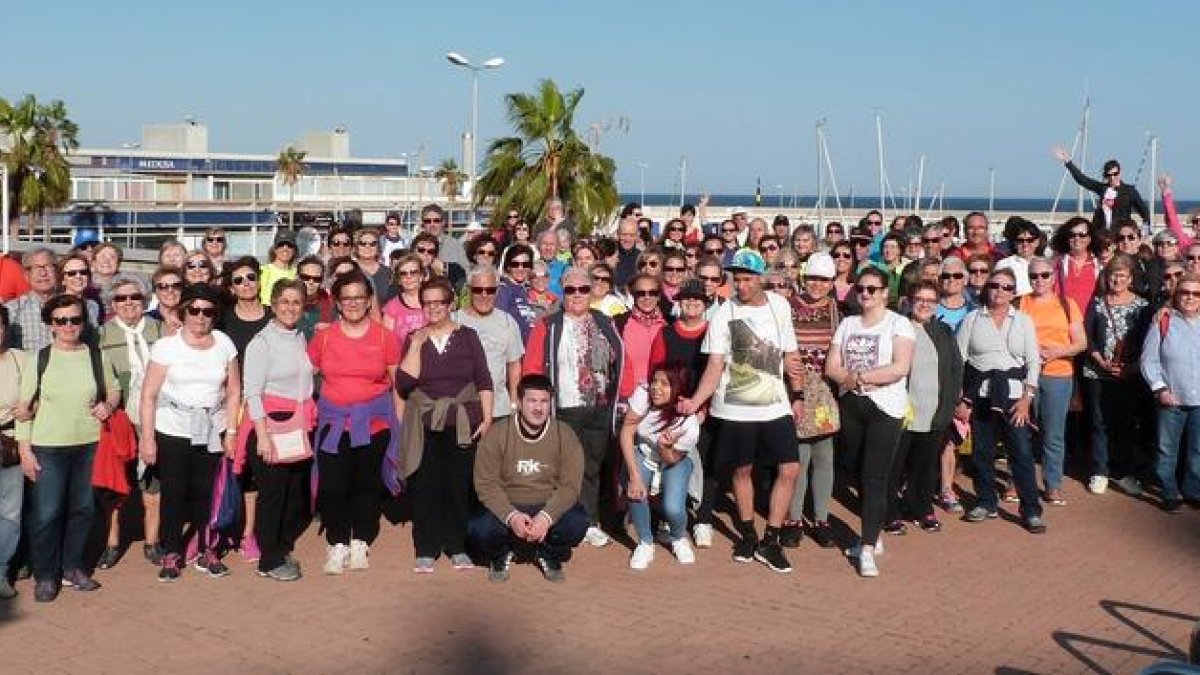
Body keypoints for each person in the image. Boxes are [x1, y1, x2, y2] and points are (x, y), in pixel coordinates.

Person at [678, 250, 802, 573]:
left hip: (776, 405)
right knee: (741, 472)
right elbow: (715, 366)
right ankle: (748, 535)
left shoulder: (780, 306)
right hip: (734, 409)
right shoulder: (722, 314)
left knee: (789, 469)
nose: (741, 286)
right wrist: (695, 400)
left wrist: (798, 393)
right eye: (737, 279)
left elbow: (791, 353)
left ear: (761, 278)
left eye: (747, 279)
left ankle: (771, 540)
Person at [15, 294, 121, 601]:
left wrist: (108, 405)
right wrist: (25, 450)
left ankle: (73, 567)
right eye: (61, 320)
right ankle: (46, 575)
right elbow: (25, 407)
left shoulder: (94, 355)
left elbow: (114, 388)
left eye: (74, 319)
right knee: (47, 513)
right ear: (50, 325)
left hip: (90, 444)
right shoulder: (40, 358)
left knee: (83, 509)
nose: (68, 325)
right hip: (48, 446)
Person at [138, 284, 240, 582]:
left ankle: (208, 550)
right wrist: (147, 438)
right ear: (184, 312)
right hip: (173, 430)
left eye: (207, 311)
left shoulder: (224, 343)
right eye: (194, 310)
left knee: (207, 493)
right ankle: (172, 552)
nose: (200, 317)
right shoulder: (166, 347)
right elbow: (148, 396)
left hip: (212, 429)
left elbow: (233, 391)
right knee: (174, 493)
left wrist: (231, 431)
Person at [308, 271, 403, 574]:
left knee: (366, 485)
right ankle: (337, 544)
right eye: (346, 298)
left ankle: (361, 540)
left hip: (374, 423)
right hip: (334, 423)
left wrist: (398, 423)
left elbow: (396, 383)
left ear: (368, 301)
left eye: (359, 297)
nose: (353, 303)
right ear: (337, 302)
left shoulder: (384, 336)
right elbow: (305, 377)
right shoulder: (323, 338)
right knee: (334, 486)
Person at [396, 277, 493, 573]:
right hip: (425, 423)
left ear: (451, 303)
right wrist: (416, 346)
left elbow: (483, 379)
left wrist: (487, 417)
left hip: (463, 421)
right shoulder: (414, 337)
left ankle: (457, 546)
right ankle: (426, 547)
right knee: (425, 486)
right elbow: (404, 383)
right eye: (428, 303)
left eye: (439, 302)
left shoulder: (468, 336)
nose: (434, 308)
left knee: (457, 486)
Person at [522, 267, 624, 548]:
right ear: (562, 292)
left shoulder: (605, 321)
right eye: (570, 290)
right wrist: (535, 406)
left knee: (591, 468)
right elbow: (532, 367)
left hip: (598, 407)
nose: (577, 295)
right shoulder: (548, 324)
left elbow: (619, 361)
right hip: (563, 407)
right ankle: (559, 519)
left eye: (583, 289)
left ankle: (589, 521)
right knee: (562, 469)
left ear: (591, 292)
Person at [825, 267, 915, 577]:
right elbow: (832, 365)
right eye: (861, 288)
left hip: (886, 407)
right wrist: (851, 380)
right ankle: (871, 529)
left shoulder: (899, 323)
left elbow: (900, 366)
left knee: (874, 476)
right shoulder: (848, 323)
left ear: (885, 293)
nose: (865, 293)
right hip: (852, 404)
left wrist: (860, 377)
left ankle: (866, 547)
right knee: (852, 468)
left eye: (872, 289)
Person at [469, 373, 586, 583]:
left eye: (544, 401)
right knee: (478, 529)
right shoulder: (498, 433)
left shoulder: (565, 434)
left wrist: (546, 517)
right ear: (519, 402)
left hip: (546, 503)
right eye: (532, 401)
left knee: (577, 523)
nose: (538, 408)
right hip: (509, 502)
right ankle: (501, 553)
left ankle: (548, 552)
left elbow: (570, 486)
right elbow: (485, 484)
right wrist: (512, 516)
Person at [235, 280, 315, 581]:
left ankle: (280, 549)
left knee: (293, 493)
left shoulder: (300, 337)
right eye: (284, 302)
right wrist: (263, 436)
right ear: (273, 304)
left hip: (297, 424)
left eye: (296, 302)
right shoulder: (261, 342)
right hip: (269, 425)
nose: (291, 308)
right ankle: (268, 559)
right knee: (273, 494)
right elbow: (252, 392)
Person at [957, 268, 1045, 533]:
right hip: (981, 395)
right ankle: (986, 501)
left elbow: (1033, 363)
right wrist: (961, 399)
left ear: (1013, 292)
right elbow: (959, 361)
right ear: (987, 288)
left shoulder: (1023, 321)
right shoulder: (973, 319)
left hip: (1014, 396)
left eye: (1007, 287)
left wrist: (1027, 399)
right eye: (995, 285)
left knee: (1021, 452)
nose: (1000, 291)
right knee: (982, 452)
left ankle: (1031, 509)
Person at [96, 273, 165, 569]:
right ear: (112, 302)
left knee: (153, 480)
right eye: (121, 298)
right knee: (116, 483)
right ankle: (112, 543)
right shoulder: (101, 334)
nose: (128, 303)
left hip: (158, 414)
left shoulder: (161, 329)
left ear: (145, 299)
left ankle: (152, 541)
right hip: (120, 415)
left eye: (134, 297)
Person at [883, 281, 963, 535]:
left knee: (926, 464)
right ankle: (890, 512)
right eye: (920, 298)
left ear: (937, 304)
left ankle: (922, 507)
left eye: (931, 300)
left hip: (934, 411)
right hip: (903, 410)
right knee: (894, 465)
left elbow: (955, 369)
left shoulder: (944, 332)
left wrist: (951, 403)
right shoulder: (896, 328)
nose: (925, 304)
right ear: (909, 300)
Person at [780, 252, 840, 549]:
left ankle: (821, 518)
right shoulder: (787, 307)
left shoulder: (838, 310)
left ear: (832, 282)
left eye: (824, 280)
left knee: (824, 456)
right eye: (814, 278)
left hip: (826, 391)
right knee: (799, 458)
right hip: (795, 389)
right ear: (805, 278)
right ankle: (793, 518)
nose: (818, 285)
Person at [1083, 254, 1152, 497]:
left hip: (1129, 374)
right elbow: (1088, 336)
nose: (1117, 279)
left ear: (1130, 278)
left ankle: (1122, 472)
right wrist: (1100, 361)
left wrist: (1131, 367)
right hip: (1097, 373)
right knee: (1099, 422)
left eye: (1122, 275)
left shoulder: (1142, 306)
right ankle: (1100, 470)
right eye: (1113, 274)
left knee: (1125, 423)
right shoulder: (1098, 303)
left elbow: (1148, 342)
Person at [1019, 257, 1085, 505]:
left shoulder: (1067, 304)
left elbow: (1081, 343)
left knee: (1053, 433)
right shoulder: (1021, 302)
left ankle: (1053, 484)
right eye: (1034, 276)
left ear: (1053, 277)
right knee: (1021, 431)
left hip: (1058, 374)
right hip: (1025, 374)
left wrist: (1057, 351)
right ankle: (1019, 482)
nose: (1039, 280)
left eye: (1044, 275)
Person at [622, 364, 701, 570]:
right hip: (645, 452)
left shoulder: (688, 422)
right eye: (655, 381)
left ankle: (677, 537)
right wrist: (634, 475)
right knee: (635, 491)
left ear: (678, 388)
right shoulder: (643, 395)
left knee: (673, 508)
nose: (656, 388)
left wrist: (665, 446)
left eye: (665, 384)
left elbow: (672, 459)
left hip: (674, 459)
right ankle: (645, 542)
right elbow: (627, 432)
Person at [1139, 273, 1200, 513]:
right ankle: (1168, 491)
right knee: (1167, 449)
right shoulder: (1163, 322)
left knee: (1197, 450)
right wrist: (1160, 389)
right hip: (1171, 398)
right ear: (1176, 295)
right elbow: (1148, 360)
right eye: (1185, 292)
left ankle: (1193, 490)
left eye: (1196, 293)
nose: (1190, 298)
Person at [453, 265, 525, 421]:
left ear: (497, 291)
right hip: (462, 411)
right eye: (478, 290)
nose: (484, 295)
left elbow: (514, 366)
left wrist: (514, 402)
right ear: (469, 290)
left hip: (499, 410)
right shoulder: (454, 321)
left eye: (490, 290)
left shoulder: (507, 322)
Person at [1055, 148, 1150, 230]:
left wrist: (1144, 233)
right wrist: (1067, 162)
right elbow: (1082, 180)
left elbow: (1145, 213)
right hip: (1101, 234)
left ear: (1120, 173)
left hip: (1119, 236)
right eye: (1109, 175)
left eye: (1115, 174)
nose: (1112, 177)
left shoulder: (1130, 191)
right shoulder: (1102, 188)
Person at [0, 306, 26, 599]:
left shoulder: (22, 360)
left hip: (11, 444)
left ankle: (1, 571)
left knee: (9, 513)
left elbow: (39, 395)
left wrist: (30, 407)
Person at [616, 274, 667, 402]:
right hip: (628, 398)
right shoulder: (619, 323)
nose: (647, 297)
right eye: (641, 293)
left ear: (659, 295)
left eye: (652, 293)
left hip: (661, 397)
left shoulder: (668, 323)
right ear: (633, 295)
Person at [4, 248, 58, 351]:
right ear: (26, 276)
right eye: (36, 268)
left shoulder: (72, 307)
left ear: (57, 272)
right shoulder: (12, 310)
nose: (43, 273)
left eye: (48, 267)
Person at [1050, 217, 1103, 319]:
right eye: (1072, 235)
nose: (1077, 238)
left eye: (1082, 235)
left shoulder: (1099, 266)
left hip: (1090, 323)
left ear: (1089, 238)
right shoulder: (1056, 264)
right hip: (1062, 321)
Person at [381, 253, 428, 350]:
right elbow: (386, 342)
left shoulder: (432, 302)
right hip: (402, 361)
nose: (408, 277)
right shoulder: (391, 307)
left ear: (421, 276)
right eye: (403, 273)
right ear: (399, 280)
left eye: (413, 272)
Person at [495, 244, 538, 341]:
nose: (520, 268)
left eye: (525, 264)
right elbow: (499, 325)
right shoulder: (503, 290)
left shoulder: (527, 290)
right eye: (515, 264)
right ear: (508, 266)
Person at [994, 217, 1043, 297]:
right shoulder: (1003, 265)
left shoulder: (1046, 264)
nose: (1025, 244)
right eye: (1020, 240)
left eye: (1030, 240)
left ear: (1037, 242)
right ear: (1014, 243)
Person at [296, 256, 334, 339]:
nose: (311, 282)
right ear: (297, 277)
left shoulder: (331, 305)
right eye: (305, 277)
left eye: (317, 279)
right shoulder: (287, 304)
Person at [420, 203, 468, 271]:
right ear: (423, 224)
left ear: (443, 223)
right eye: (428, 221)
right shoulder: (415, 245)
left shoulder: (455, 245)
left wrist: (444, 268)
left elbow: (466, 273)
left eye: (436, 221)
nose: (432, 224)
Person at [353, 227, 394, 305]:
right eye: (362, 243)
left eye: (372, 244)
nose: (367, 246)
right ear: (356, 247)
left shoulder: (389, 273)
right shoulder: (349, 270)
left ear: (378, 247)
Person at [259, 236, 299, 304]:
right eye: (281, 245)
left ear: (294, 251)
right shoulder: (263, 270)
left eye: (289, 246)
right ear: (275, 250)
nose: (285, 248)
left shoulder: (297, 273)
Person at [147, 267, 184, 335]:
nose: (170, 290)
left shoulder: (192, 317)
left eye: (176, 285)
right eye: (163, 286)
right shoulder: (146, 319)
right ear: (155, 291)